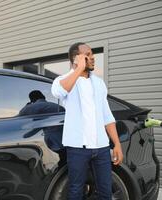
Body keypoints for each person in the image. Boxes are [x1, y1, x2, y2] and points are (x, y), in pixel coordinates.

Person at [51, 42, 123, 200]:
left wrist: (116, 143)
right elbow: (59, 92)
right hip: (77, 148)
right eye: (88, 55)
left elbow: (107, 116)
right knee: (76, 190)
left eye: (92, 54)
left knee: (105, 191)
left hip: (102, 147)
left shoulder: (98, 82)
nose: (92, 58)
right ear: (76, 58)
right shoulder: (63, 80)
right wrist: (78, 68)